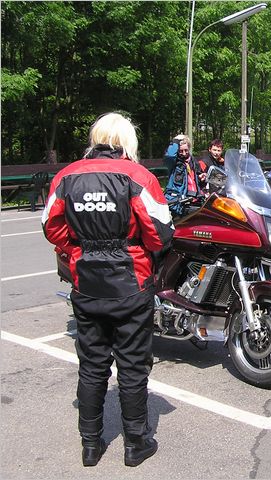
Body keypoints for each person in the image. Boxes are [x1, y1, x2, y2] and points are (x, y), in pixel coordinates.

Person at [42, 112, 174, 468]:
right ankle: (136, 444)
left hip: (86, 282)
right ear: (126, 141)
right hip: (131, 282)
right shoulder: (138, 176)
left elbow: (51, 226)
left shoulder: (66, 176)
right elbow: (161, 232)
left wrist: (78, 249)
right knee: (132, 366)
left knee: (92, 365)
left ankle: (90, 445)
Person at [163, 134, 202, 215]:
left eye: (186, 150)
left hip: (195, 201)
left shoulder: (194, 162)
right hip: (179, 203)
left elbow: (195, 181)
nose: (184, 153)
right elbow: (170, 155)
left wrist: (202, 178)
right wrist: (175, 142)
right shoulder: (173, 163)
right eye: (181, 151)